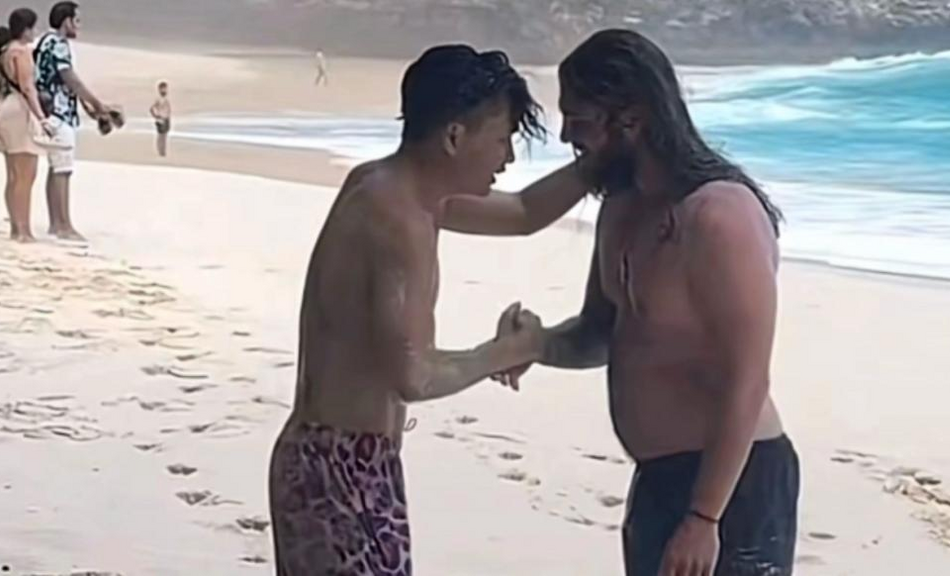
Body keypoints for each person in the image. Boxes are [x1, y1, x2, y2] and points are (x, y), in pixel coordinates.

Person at [268, 44, 595, 575]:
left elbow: (524, 212)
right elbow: (413, 377)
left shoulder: (390, 186)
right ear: (454, 137)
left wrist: (602, 164)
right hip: (341, 469)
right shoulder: (399, 221)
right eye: (502, 140)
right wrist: (511, 350)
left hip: (325, 459)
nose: (508, 158)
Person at [495, 29, 799, 576]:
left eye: (579, 119)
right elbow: (601, 333)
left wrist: (704, 517)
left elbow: (747, 380)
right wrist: (535, 345)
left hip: (734, 484)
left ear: (631, 118)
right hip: (659, 479)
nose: (566, 135)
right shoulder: (621, 209)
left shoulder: (719, 216)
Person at [34, 1, 111, 241]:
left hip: (49, 111)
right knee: (63, 170)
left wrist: (87, 106)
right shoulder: (59, 44)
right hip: (59, 113)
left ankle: (55, 222)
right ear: (66, 21)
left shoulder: (44, 41)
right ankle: (63, 225)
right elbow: (70, 80)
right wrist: (98, 104)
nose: (78, 26)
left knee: (55, 167)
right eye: (76, 20)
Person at [0, 8, 55, 243]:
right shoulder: (22, 51)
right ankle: (24, 230)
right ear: (26, 29)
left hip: (3, 109)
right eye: (33, 27)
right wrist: (42, 117)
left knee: (13, 174)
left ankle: (15, 228)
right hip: (19, 110)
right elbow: (28, 87)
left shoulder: (4, 51)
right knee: (26, 175)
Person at [149, 80, 171, 157]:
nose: (164, 90)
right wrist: (156, 116)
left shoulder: (166, 98)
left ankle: (163, 150)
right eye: (163, 89)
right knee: (161, 135)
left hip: (166, 118)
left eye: (165, 88)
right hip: (161, 118)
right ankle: (160, 151)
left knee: (164, 135)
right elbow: (151, 109)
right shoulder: (158, 99)